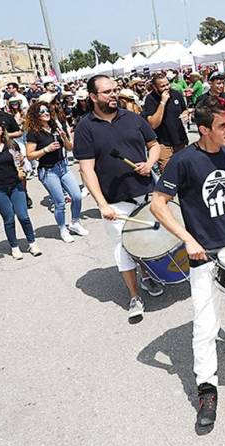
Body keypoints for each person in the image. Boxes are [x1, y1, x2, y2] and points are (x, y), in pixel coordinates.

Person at [150, 95, 225, 429]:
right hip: (202, 254)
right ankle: (207, 386)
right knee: (204, 323)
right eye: (222, 126)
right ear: (203, 129)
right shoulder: (184, 161)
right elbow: (159, 203)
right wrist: (187, 239)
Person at [74, 75, 163, 322]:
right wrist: (102, 204)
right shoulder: (85, 127)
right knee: (124, 246)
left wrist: (150, 163)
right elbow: (86, 169)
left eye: (115, 90)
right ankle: (134, 296)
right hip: (115, 202)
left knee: (148, 240)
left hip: (145, 191)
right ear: (93, 96)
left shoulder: (133, 118)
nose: (113, 95)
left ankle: (146, 275)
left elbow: (154, 145)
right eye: (106, 92)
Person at [0, 116, 41, 259]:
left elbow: (19, 162)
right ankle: (14, 247)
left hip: (16, 185)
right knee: (9, 218)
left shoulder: (11, 144)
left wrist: (21, 163)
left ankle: (32, 243)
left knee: (23, 216)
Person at [26, 100, 87, 242]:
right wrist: (46, 149)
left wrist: (65, 138)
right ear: (35, 115)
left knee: (77, 196)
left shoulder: (55, 127)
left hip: (63, 167)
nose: (45, 113)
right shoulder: (34, 133)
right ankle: (63, 229)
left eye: (47, 110)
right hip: (48, 171)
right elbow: (30, 155)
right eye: (41, 112)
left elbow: (70, 148)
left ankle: (75, 223)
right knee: (60, 202)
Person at [143, 73, 190, 171]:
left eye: (167, 84)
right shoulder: (150, 99)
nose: (166, 88)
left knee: (185, 170)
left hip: (180, 141)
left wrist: (186, 114)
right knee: (168, 173)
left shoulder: (176, 94)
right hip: (163, 144)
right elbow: (153, 124)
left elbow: (184, 109)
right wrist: (163, 102)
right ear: (155, 87)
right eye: (162, 86)